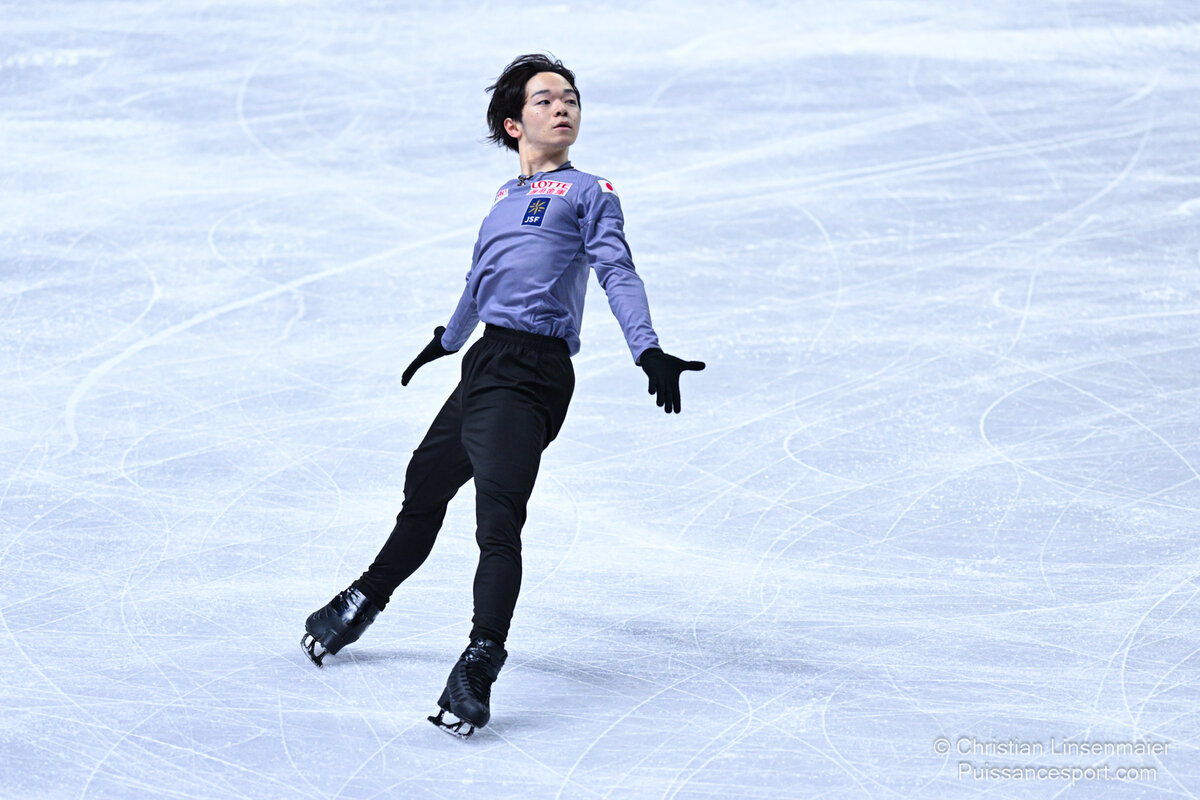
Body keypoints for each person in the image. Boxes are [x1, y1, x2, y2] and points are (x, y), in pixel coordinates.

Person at [301, 53, 705, 738]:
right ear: (515, 124)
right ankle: (362, 601)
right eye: (546, 99)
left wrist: (648, 349)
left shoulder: (590, 192)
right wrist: (448, 339)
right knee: (425, 485)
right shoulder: (502, 196)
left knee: (497, 520)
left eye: (571, 97)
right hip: (485, 361)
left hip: (533, 371)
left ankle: (478, 665)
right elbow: (480, 278)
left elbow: (616, 270)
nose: (563, 106)